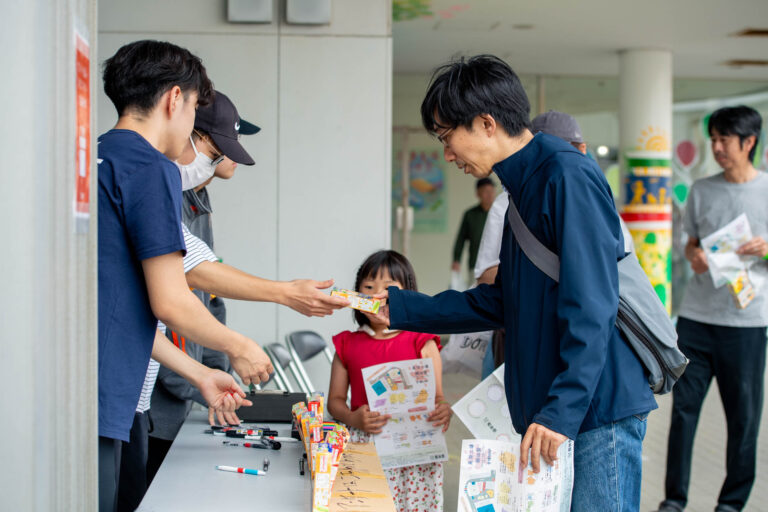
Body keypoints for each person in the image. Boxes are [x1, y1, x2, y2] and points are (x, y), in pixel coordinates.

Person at [373, 55, 656, 511]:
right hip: (561, 408)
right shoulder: (522, 188)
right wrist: (402, 309)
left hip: (595, 411)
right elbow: (502, 302)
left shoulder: (566, 176)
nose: (447, 155)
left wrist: (561, 411)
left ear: (486, 123)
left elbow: (592, 305)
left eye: (448, 138)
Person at [98, 40, 274, 512]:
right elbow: (172, 299)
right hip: (112, 395)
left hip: (91, 391)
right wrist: (238, 346)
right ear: (175, 99)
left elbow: (117, 309)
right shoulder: (151, 168)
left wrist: (200, 373)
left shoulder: (98, 159)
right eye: (196, 105)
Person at [656, 106, 768, 512]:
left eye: (725, 140)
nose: (717, 148)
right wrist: (695, 256)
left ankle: (732, 503)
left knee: (744, 419)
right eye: (714, 140)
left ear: (749, 142)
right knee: (683, 413)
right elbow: (690, 243)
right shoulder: (702, 189)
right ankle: (674, 499)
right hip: (697, 320)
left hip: (747, 323)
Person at [474, 110, 634, 378]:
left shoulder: (598, 200)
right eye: (542, 149)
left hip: (592, 349)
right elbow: (487, 278)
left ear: (581, 150)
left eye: (561, 150)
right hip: (527, 343)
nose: (551, 161)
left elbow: (617, 280)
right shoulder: (507, 202)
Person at [327, 250, 452, 512]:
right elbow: (335, 402)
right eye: (368, 288)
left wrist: (443, 409)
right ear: (356, 295)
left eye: (388, 289)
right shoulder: (347, 344)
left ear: (407, 294)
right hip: (366, 443)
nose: (376, 296)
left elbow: (438, 397)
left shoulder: (422, 341)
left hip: (417, 448)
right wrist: (353, 419)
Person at [451, 177, 496, 278]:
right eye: (486, 191)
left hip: (497, 264)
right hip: (476, 265)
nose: (490, 195)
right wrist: (456, 259)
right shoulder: (470, 215)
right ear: (478, 194)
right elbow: (460, 239)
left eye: (492, 191)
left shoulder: (501, 214)